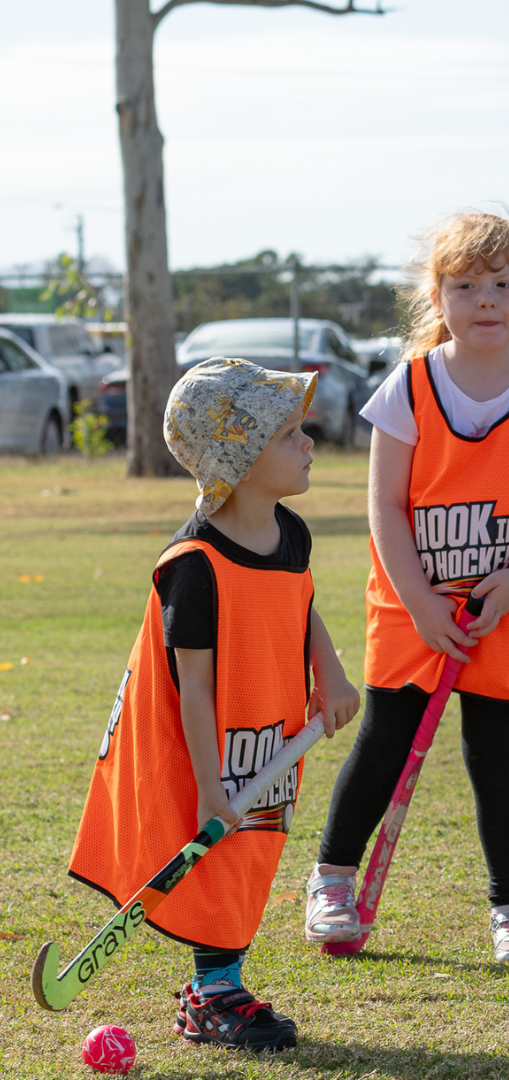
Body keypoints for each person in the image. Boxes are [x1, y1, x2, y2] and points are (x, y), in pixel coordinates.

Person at [305, 211, 509, 960]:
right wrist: (419, 602)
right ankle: (332, 881)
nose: (486, 300)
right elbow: (385, 507)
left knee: (498, 753)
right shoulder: (406, 388)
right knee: (385, 740)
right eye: (466, 286)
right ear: (437, 298)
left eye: (503, 284)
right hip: (414, 602)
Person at [68, 357, 360, 1051]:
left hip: (270, 732)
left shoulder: (291, 533)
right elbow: (191, 687)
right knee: (219, 862)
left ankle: (216, 990)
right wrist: (207, 788)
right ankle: (215, 995)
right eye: (290, 433)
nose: (309, 442)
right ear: (243, 456)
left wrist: (333, 672)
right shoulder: (193, 565)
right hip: (208, 748)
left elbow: (302, 603)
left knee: (254, 854)